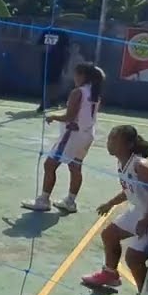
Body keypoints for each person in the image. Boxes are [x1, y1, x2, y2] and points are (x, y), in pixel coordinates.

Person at [83, 125, 148, 295]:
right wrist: (110, 203)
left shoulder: (140, 165)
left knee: (134, 259)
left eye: (115, 139)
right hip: (140, 211)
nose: (109, 142)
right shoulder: (124, 163)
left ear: (129, 144)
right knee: (109, 235)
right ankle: (110, 274)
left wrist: (147, 220)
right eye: (110, 138)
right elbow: (130, 189)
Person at [22, 63, 105, 214]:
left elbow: (70, 116)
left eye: (76, 74)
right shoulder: (94, 93)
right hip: (87, 135)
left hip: (72, 134)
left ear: (82, 76)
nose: (74, 78)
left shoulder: (78, 92)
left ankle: (43, 200)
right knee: (75, 166)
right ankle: (70, 201)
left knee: (50, 165)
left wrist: (53, 116)